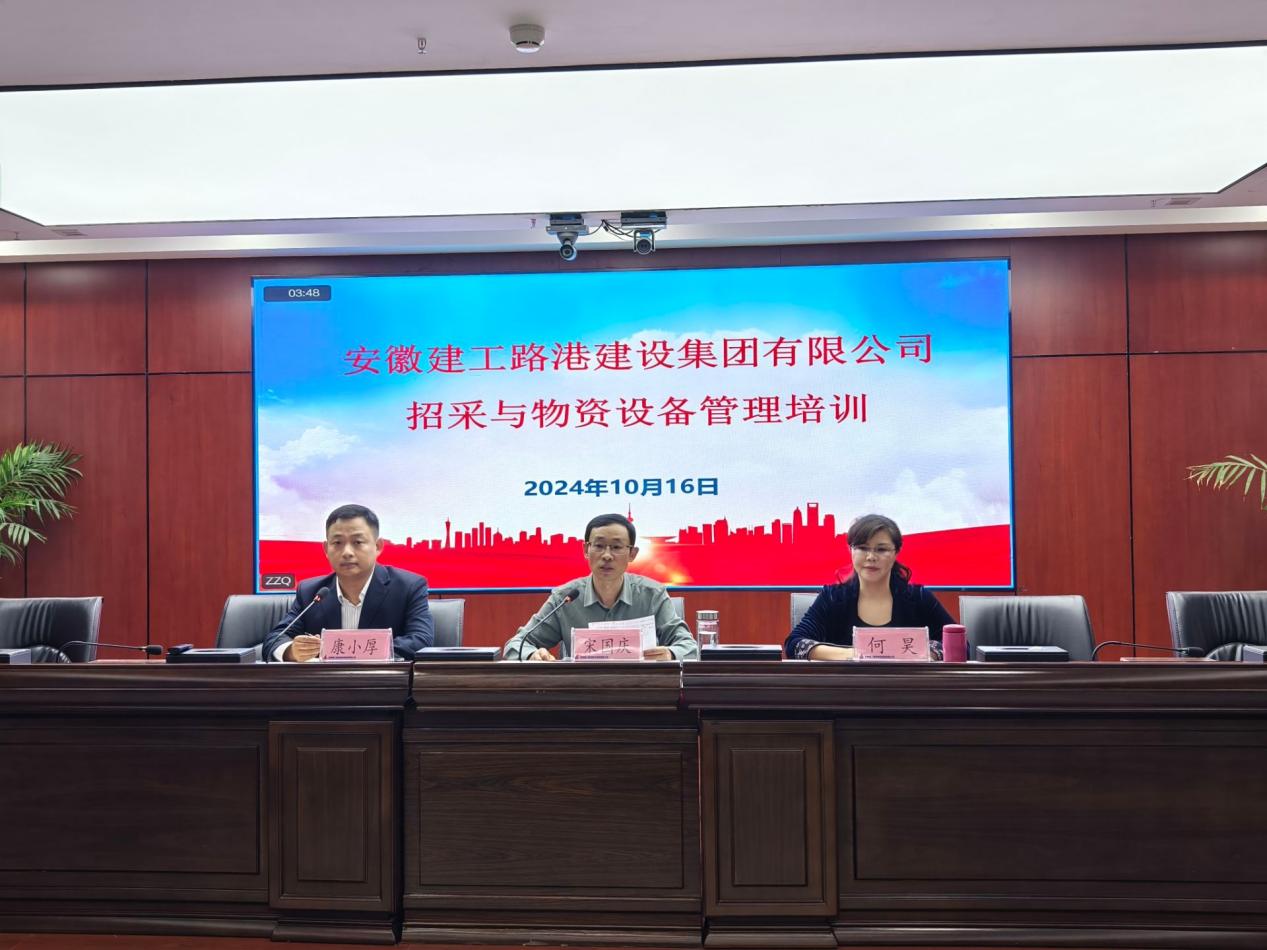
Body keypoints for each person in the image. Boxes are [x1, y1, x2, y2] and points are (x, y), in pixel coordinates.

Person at [502, 513, 699, 661]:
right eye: (599, 546)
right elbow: (516, 644)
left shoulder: (652, 595)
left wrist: (671, 653)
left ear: (632, 554)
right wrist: (532, 655)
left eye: (616, 547)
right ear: (586, 550)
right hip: (582, 695)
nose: (606, 555)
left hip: (641, 694)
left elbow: (689, 647)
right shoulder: (566, 598)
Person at [264, 504, 434, 662]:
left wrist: (346, 651)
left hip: (384, 683)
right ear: (326, 549)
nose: (347, 552)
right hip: (324, 684)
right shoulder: (311, 592)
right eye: (337, 543)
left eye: (357, 542)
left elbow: (420, 640)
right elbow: (275, 640)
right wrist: (291, 651)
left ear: (377, 546)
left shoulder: (408, 587)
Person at [784, 513, 952, 660]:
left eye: (881, 550)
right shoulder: (833, 598)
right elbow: (795, 644)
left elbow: (957, 644)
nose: (871, 557)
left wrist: (926, 653)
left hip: (906, 686)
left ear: (896, 552)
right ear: (850, 550)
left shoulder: (919, 598)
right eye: (862, 548)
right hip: (847, 685)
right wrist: (856, 654)